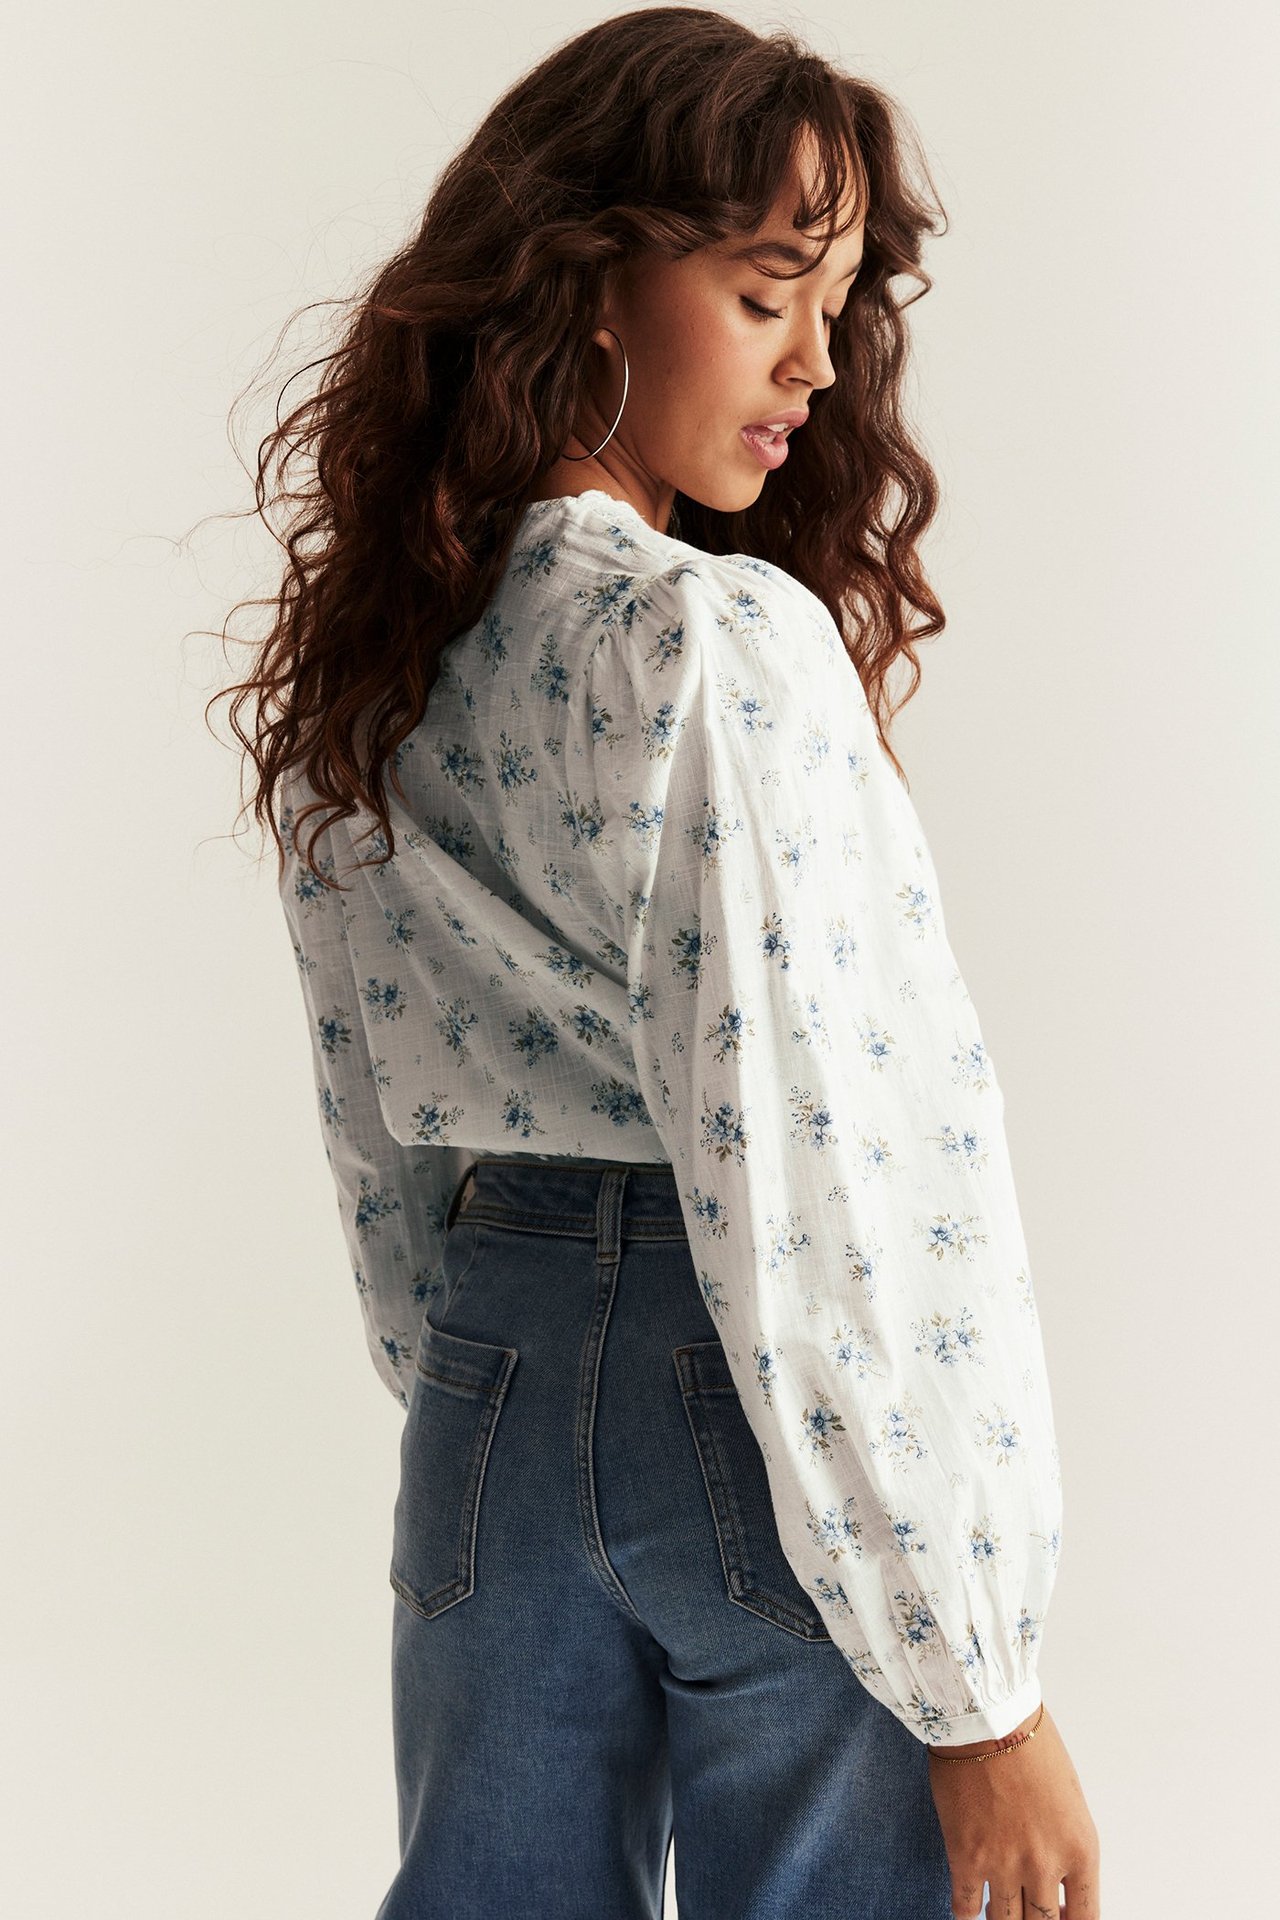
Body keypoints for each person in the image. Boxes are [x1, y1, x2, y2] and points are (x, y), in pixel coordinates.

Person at [225, 8, 1100, 1915]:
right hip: (746, 1387)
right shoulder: (708, 639)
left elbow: (371, 1128)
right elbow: (808, 1155)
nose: (816, 362)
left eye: (841, 302)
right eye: (770, 287)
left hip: (492, 1390)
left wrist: (491, 1385)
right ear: (595, 283)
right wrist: (983, 1687)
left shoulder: (374, 662)